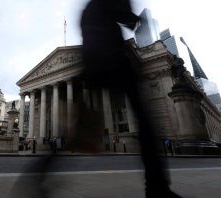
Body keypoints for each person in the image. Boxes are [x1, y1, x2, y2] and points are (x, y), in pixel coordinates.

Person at [79, 0, 181, 197]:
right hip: (113, 61)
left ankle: (48, 159)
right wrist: (135, 19)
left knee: (83, 125)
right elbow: (124, 16)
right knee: (143, 119)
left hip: (95, 64)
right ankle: (157, 186)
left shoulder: (89, 8)